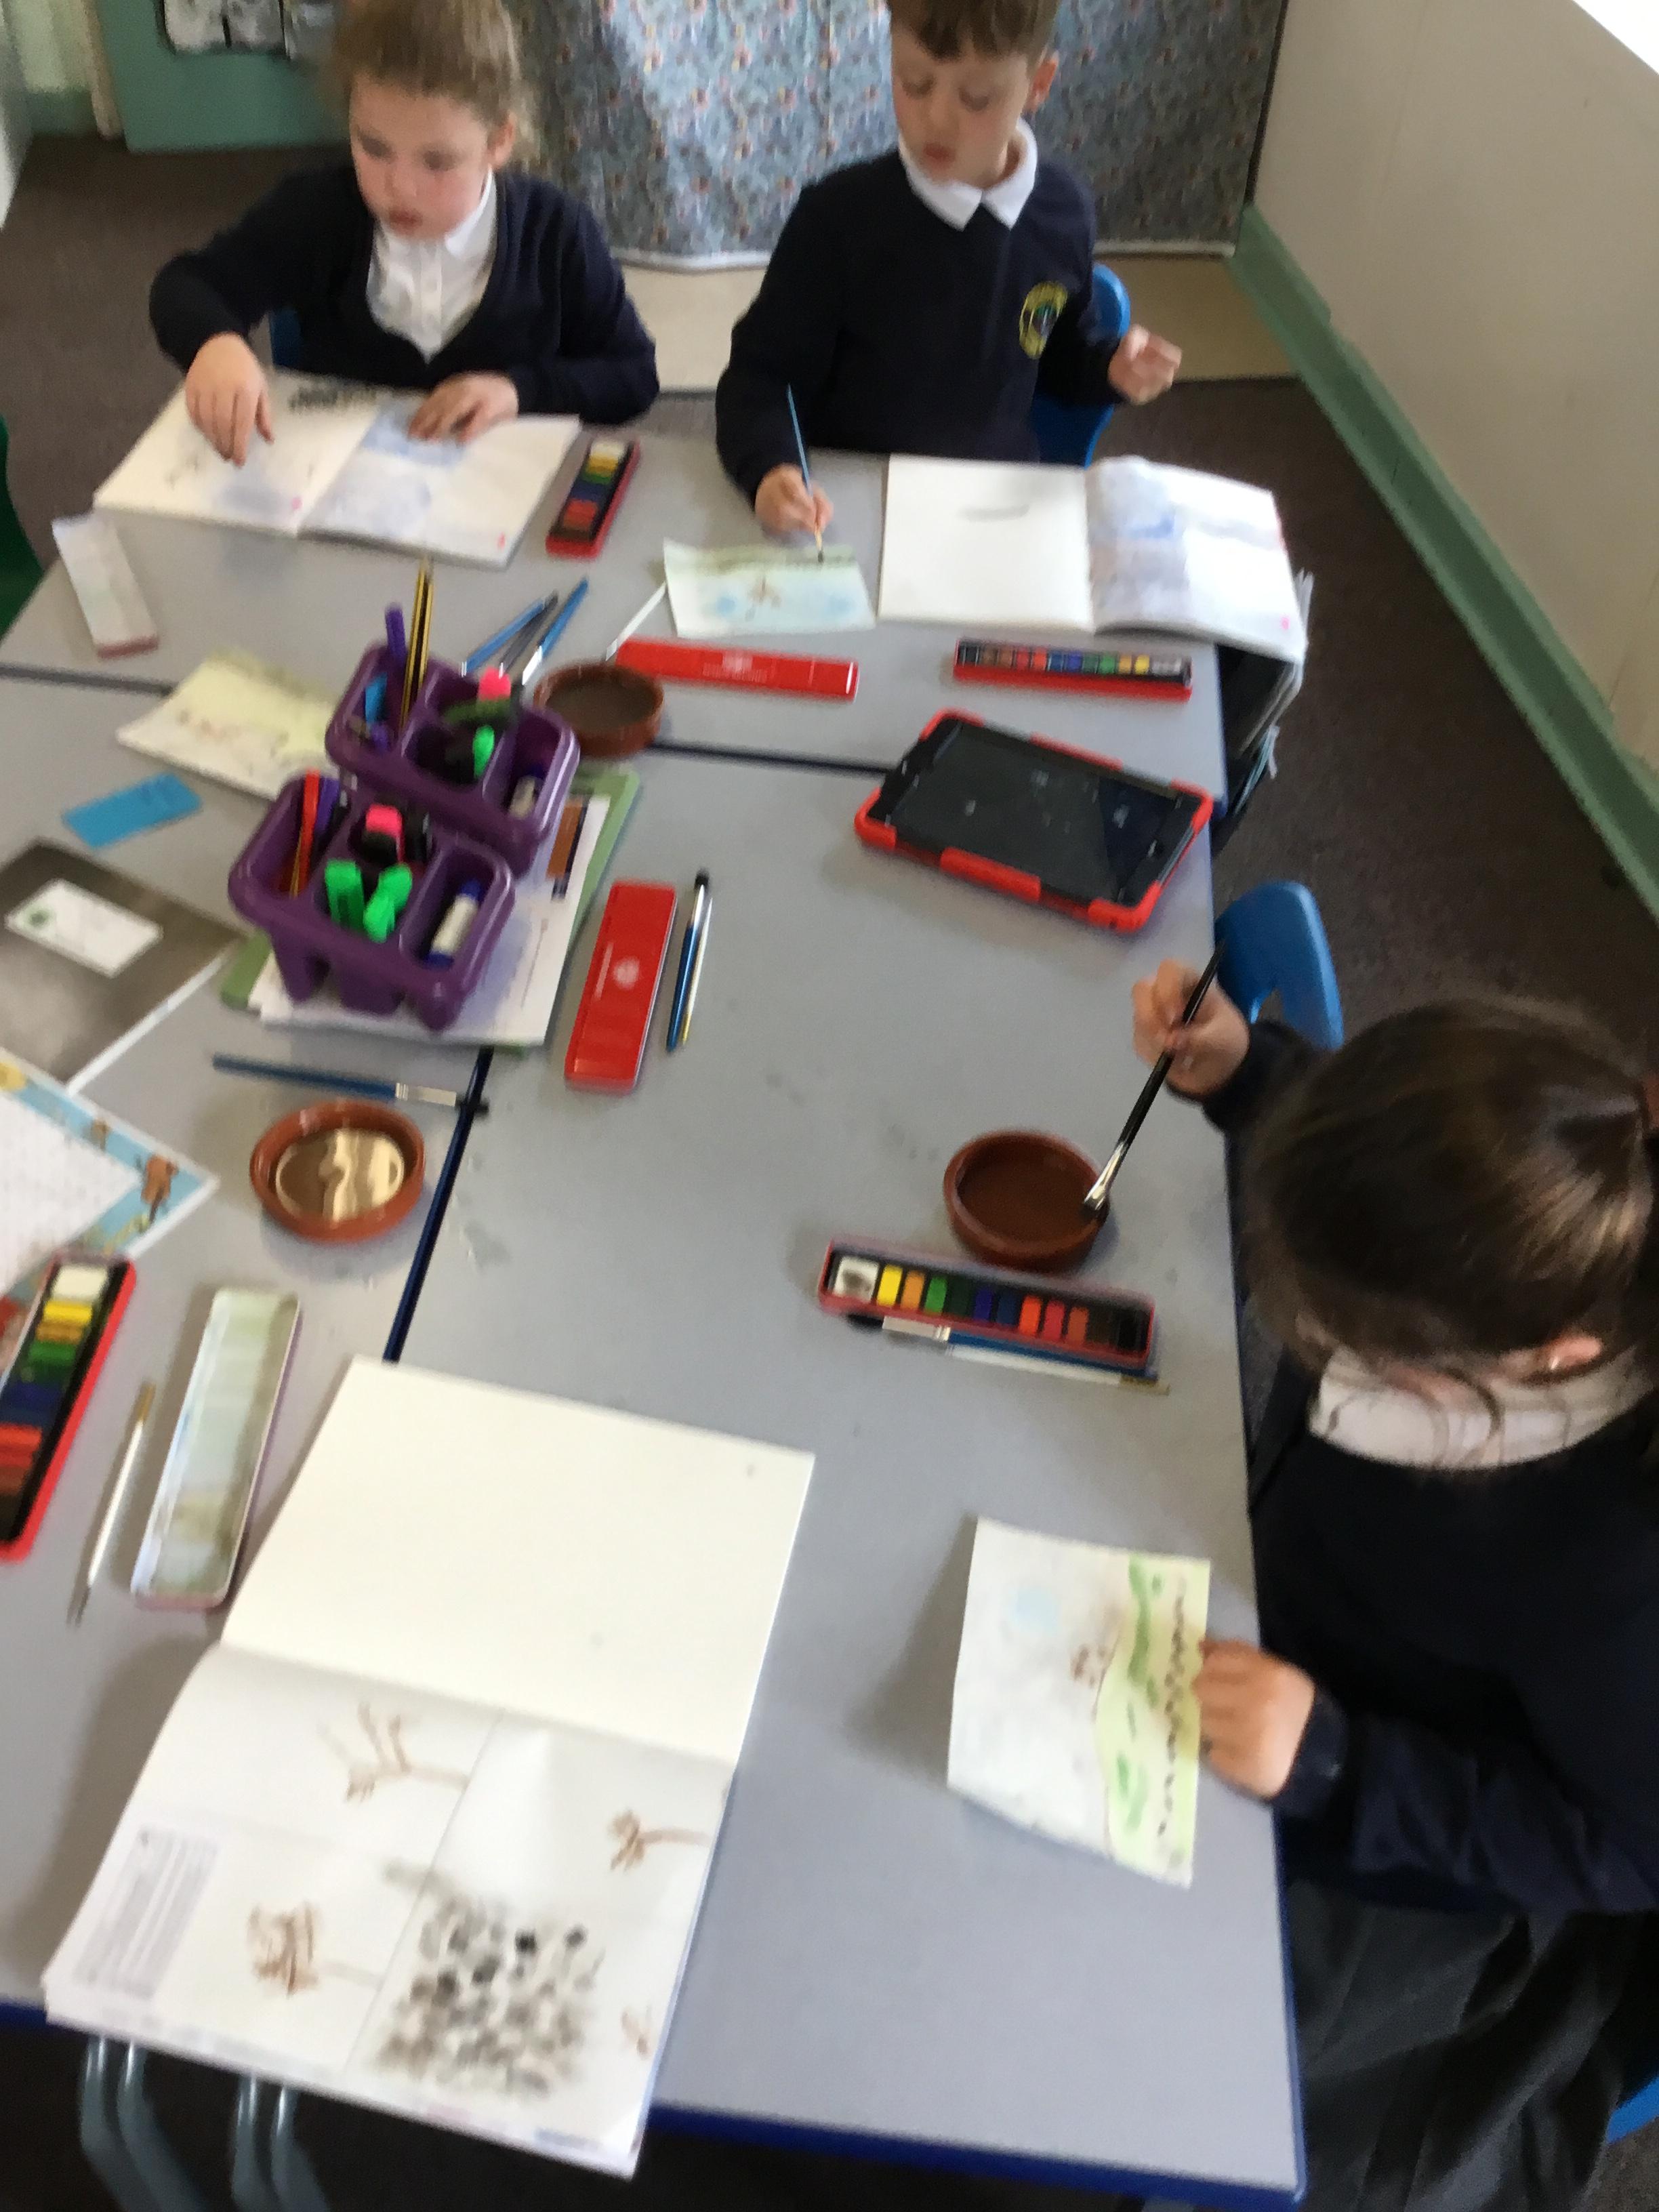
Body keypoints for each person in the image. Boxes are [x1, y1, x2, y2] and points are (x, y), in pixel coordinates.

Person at [1129, 967, 1659, 2211]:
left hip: (1399, 1850)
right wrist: (1253, 1076)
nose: (1317, 1349)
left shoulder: (1613, 1572)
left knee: (1157, 2071)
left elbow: (1630, 1845)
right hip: (1294, 1630)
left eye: (1362, 1344)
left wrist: (1334, 1762)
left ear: (1549, 1358)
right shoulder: (1532, 1203)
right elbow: (1392, 1176)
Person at [715, 0, 1181, 539]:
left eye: (976, 97)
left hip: (992, 509)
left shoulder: (1064, 215)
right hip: (857, 502)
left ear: (1038, 84)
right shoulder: (837, 221)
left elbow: (1058, 355)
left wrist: (1110, 368)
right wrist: (770, 468)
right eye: (914, 84)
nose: (936, 118)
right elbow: (760, 377)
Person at [149, 0, 657, 465]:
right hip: (342, 486)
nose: (400, 188)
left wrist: (519, 391)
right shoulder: (318, 212)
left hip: (494, 494)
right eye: (373, 148)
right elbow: (186, 285)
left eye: (437, 162)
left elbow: (632, 375)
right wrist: (215, 343)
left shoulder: (556, 234)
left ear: (499, 141)